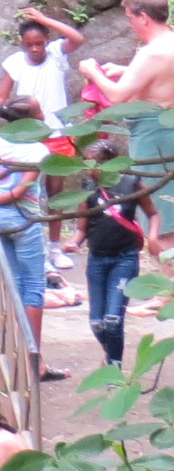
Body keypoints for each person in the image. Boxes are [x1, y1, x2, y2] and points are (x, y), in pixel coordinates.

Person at [0, 8, 88, 264]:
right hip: (28, 136)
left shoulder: (56, 53)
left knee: (55, 192)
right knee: (28, 190)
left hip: (57, 133)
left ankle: (54, 248)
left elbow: (77, 39)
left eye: (39, 43)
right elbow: (1, 96)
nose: (35, 49)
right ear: (21, 44)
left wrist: (43, 19)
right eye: (29, 45)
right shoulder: (14, 63)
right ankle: (35, 246)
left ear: (46, 40)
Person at [0, 95, 66, 379]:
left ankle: (14, 350)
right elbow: (19, 193)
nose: (43, 117)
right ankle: (34, 360)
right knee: (33, 288)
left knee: (14, 283)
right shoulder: (39, 152)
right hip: (24, 220)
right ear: (28, 121)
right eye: (40, 113)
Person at [83, 0, 174, 196]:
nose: (130, 25)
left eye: (130, 19)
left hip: (153, 135)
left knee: (158, 201)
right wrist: (125, 70)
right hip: (168, 125)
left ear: (143, 17)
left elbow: (117, 96)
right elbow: (164, 74)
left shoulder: (151, 53)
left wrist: (93, 72)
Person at [80, 138, 159, 367]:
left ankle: (115, 367)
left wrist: (152, 237)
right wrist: (73, 242)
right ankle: (109, 352)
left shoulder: (131, 184)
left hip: (124, 258)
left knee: (113, 319)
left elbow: (152, 213)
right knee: (97, 322)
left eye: (92, 164)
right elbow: (81, 226)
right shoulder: (87, 187)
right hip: (97, 259)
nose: (88, 169)